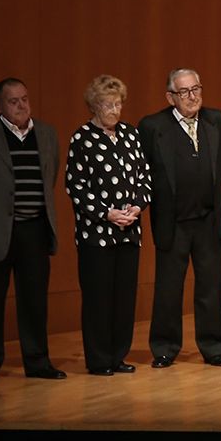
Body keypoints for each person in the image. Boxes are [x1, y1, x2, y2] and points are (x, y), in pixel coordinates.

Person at [0, 77, 66, 382]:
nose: (21, 105)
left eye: (24, 99)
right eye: (13, 101)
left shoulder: (46, 134)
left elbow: (51, 176)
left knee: (34, 301)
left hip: (34, 229)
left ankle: (37, 362)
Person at [139, 68, 221, 369]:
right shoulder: (153, 126)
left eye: (196, 89)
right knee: (168, 288)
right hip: (173, 221)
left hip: (207, 219)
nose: (192, 97)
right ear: (170, 96)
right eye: (184, 92)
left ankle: (214, 347)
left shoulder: (215, 120)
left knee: (211, 286)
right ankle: (164, 348)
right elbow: (147, 172)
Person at [65, 75, 151, 376]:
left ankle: (118, 355)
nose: (114, 110)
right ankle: (100, 359)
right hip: (97, 234)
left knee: (123, 298)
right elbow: (75, 188)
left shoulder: (130, 134)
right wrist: (107, 213)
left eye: (118, 104)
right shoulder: (82, 138)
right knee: (99, 298)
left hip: (129, 232)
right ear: (93, 106)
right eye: (107, 104)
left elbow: (144, 177)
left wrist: (137, 206)